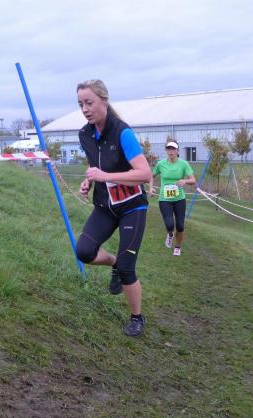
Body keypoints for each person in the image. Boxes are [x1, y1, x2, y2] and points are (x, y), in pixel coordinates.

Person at [75, 80, 152, 336]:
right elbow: (95, 165)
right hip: (105, 205)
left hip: (132, 207)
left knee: (129, 267)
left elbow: (144, 174)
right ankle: (114, 262)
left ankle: (137, 318)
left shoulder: (122, 133)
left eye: (89, 103)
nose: (85, 109)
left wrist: (105, 176)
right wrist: (89, 181)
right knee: (84, 251)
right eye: (80, 104)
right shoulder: (85, 134)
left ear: (104, 101)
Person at [149, 140, 196, 256]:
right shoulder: (161, 164)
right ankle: (170, 234)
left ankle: (178, 247)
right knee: (169, 224)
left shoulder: (183, 164)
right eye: (168, 149)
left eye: (173, 149)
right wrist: (151, 188)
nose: (171, 151)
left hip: (179, 199)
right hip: (164, 199)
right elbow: (151, 176)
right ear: (166, 151)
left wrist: (184, 181)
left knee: (180, 226)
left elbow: (193, 180)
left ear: (177, 150)